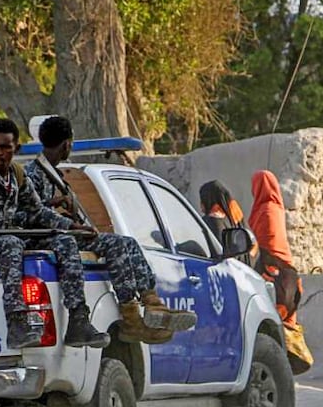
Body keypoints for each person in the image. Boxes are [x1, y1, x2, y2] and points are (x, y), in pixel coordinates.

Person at [23, 115, 196, 344]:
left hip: (58, 233)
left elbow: (43, 208)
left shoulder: (52, 173)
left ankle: (145, 306)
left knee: (124, 243)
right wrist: (71, 225)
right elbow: (33, 214)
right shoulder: (33, 174)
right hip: (42, 237)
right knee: (74, 243)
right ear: (67, 144)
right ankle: (119, 319)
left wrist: (62, 208)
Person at [0, 117, 108, 350]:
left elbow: (38, 212)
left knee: (64, 241)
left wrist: (70, 226)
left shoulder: (18, 176)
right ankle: (17, 324)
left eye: (5, 147)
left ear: (16, 149)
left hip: (12, 239)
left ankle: (78, 320)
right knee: (10, 242)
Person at [250, 170, 313, 374]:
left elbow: (261, 245)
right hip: (288, 276)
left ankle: (278, 369)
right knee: (285, 325)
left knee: (269, 326)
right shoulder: (277, 208)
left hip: (273, 276)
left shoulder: (265, 211)